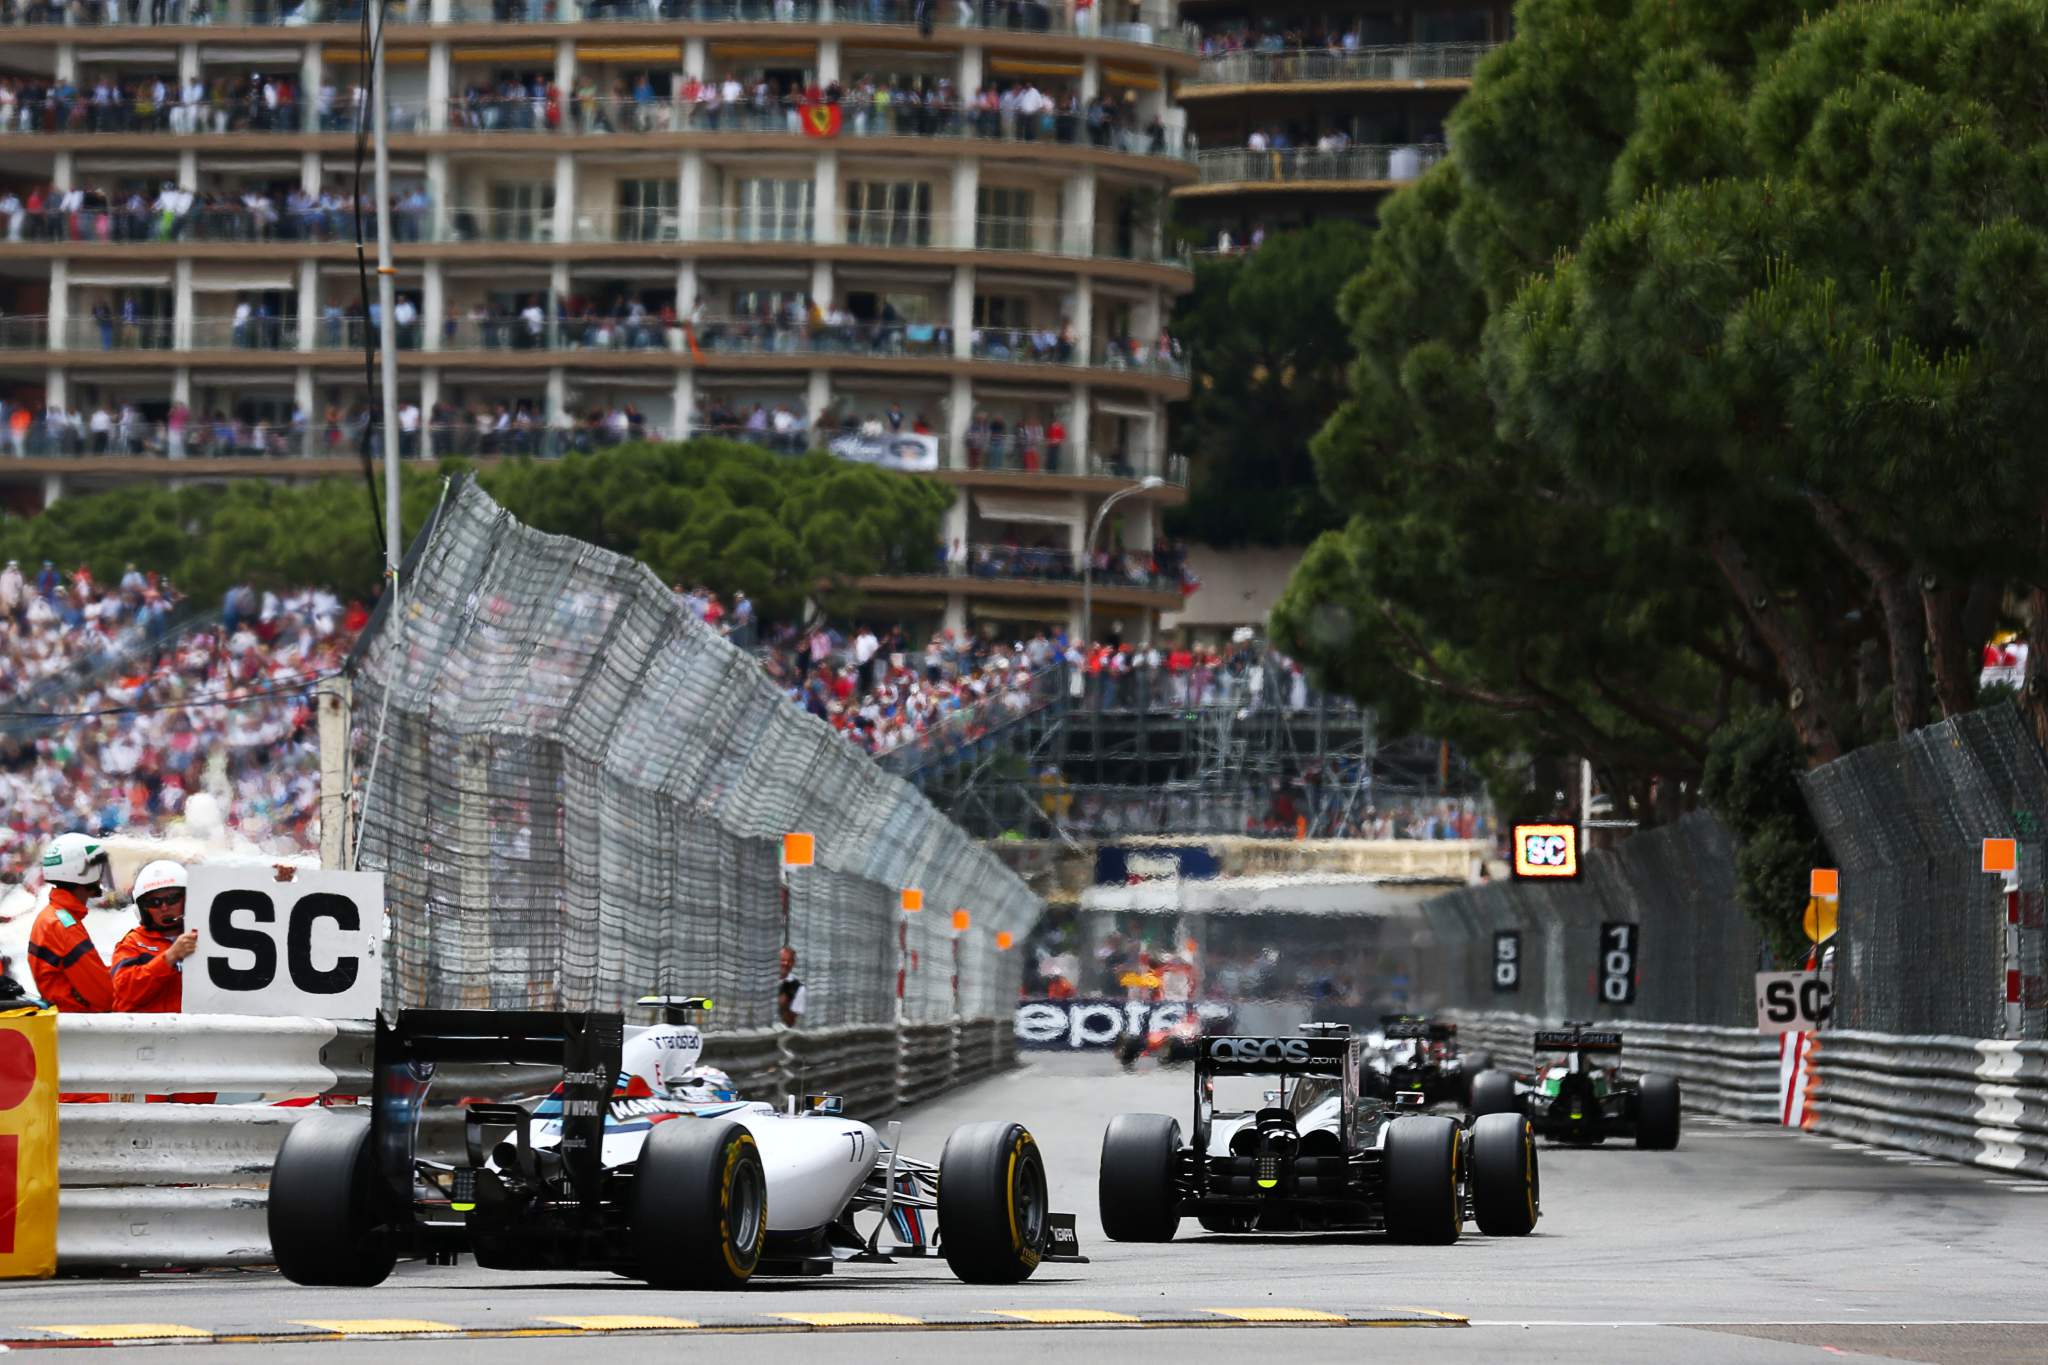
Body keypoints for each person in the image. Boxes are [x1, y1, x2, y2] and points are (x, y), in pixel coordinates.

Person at [26, 832, 114, 1013]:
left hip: (64, 1022)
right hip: (79, 1028)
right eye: (97, 867)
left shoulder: (51, 915)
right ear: (81, 872)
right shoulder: (65, 926)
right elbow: (105, 996)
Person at [111, 860, 197, 1013]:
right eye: (154, 902)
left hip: (192, 1030)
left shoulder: (206, 938)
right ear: (143, 908)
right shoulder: (132, 943)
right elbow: (124, 991)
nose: (164, 907)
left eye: (172, 899)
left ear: (187, 899)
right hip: (146, 1032)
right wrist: (170, 957)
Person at [777, 945, 807, 1027]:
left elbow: (792, 1023)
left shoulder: (799, 989)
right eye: (782, 960)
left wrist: (784, 1007)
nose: (786, 963)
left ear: (793, 963)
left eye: (789, 961)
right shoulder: (762, 981)